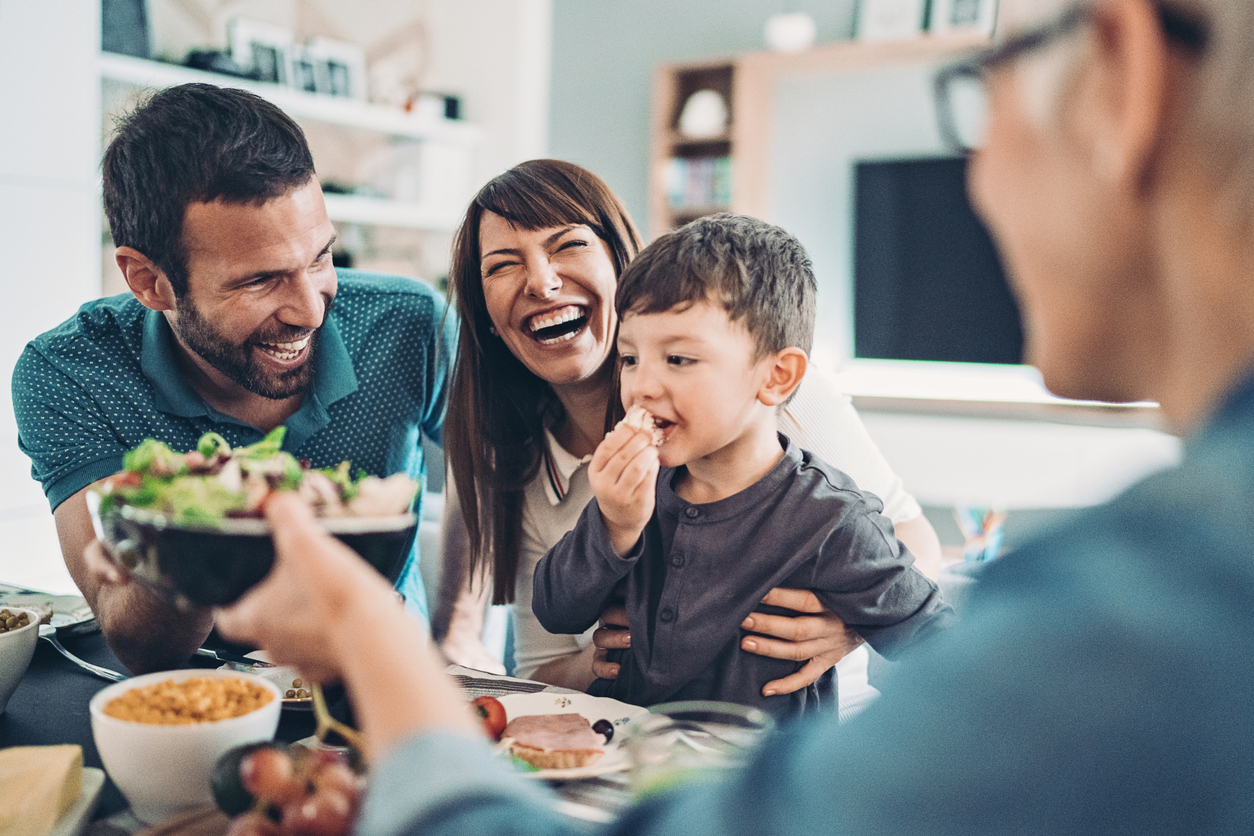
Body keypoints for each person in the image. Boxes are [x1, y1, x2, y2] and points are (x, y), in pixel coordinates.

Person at [218, 0, 1254, 831]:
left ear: (1123, 75)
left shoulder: (1151, 606)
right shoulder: (605, 469)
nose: (977, 174)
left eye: (978, 92)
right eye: (638, 358)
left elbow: (912, 598)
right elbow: (557, 614)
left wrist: (359, 630)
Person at [436, 159, 943, 704]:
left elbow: (915, 577)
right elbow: (548, 637)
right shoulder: (611, 487)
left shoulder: (767, 399)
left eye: (568, 245)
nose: (542, 280)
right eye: (503, 265)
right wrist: (602, 628)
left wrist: (848, 625)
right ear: (483, 313)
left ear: (619, 264)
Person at [11, 83, 454, 674]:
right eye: (259, 281)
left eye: (321, 258)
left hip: (389, 685)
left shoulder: (408, 323)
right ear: (148, 281)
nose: (311, 311)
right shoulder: (69, 372)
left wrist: (464, 632)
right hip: (198, 699)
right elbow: (138, 642)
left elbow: (508, 478)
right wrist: (200, 512)